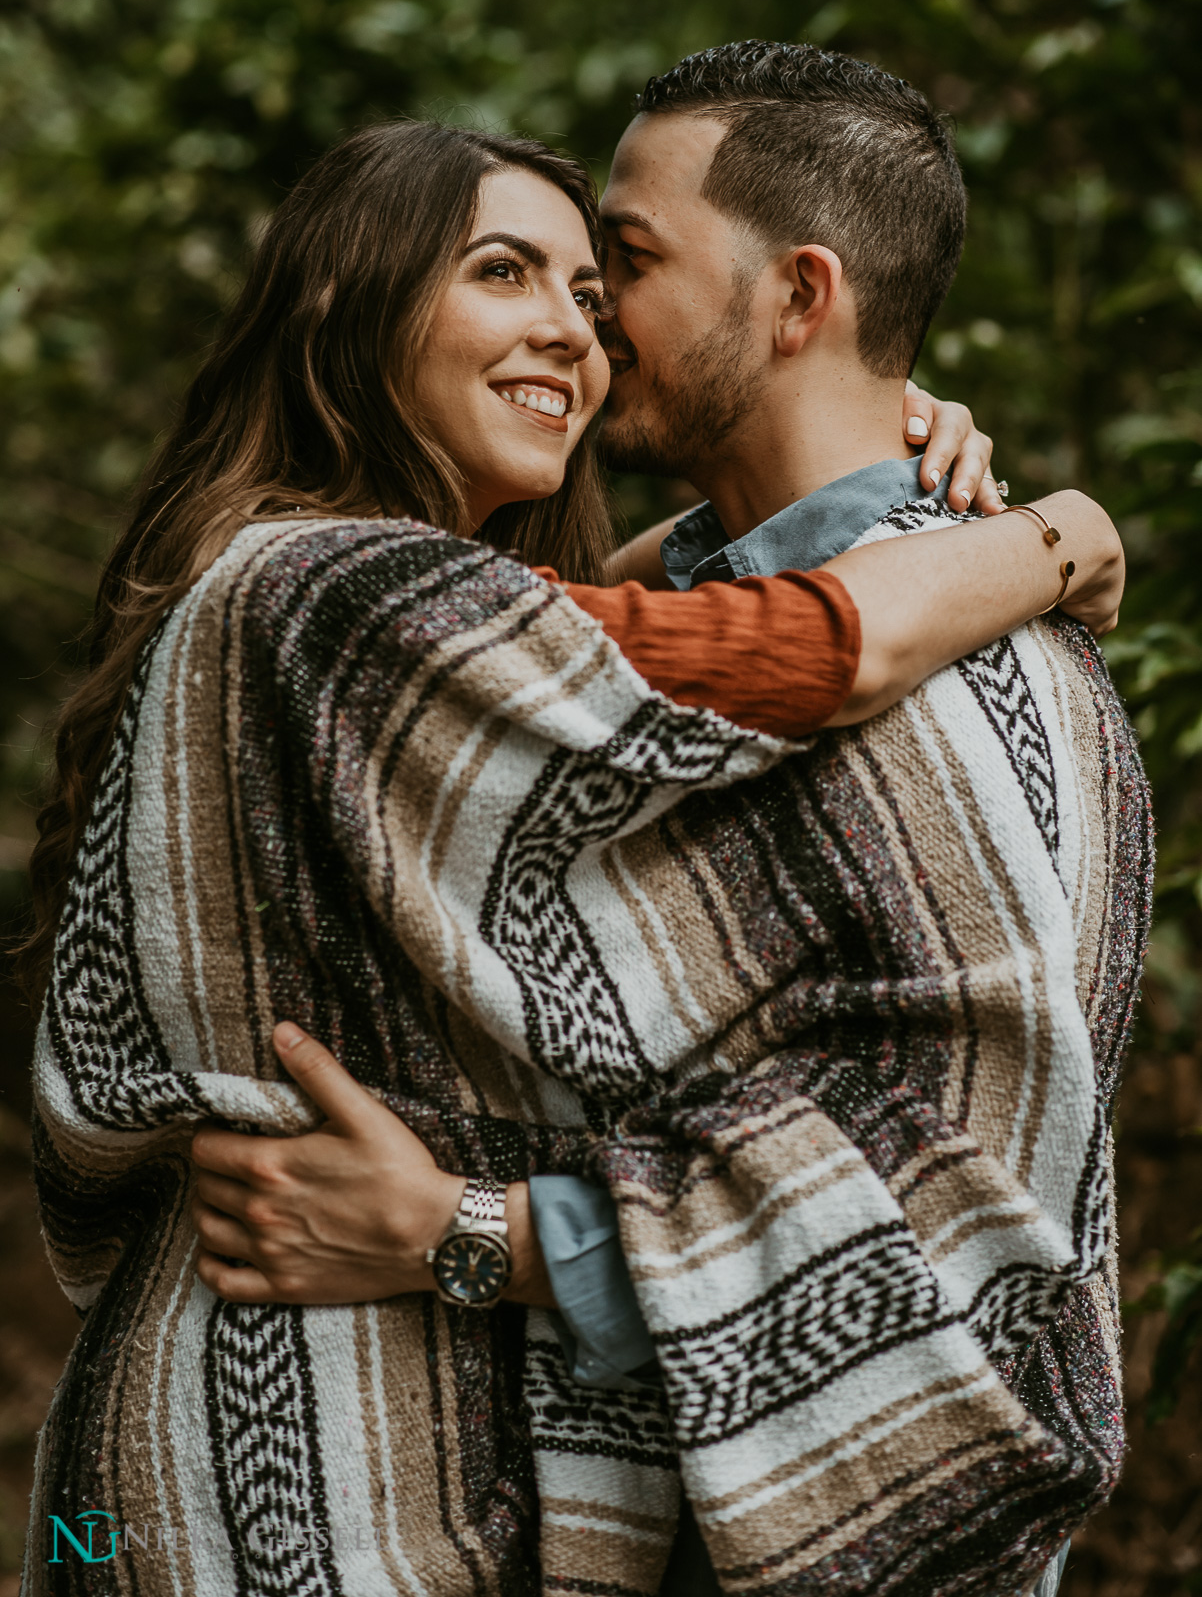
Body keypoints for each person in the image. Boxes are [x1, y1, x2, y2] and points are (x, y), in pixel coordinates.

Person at [22, 112, 1127, 1597]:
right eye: (504, 273)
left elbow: (587, 629)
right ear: (351, 300)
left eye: (598, 298)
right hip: (273, 1447)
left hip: (367, 1432)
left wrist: (884, 436)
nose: (571, 333)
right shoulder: (316, 588)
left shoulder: (398, 602)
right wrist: (1054, 535)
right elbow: (775, 649)